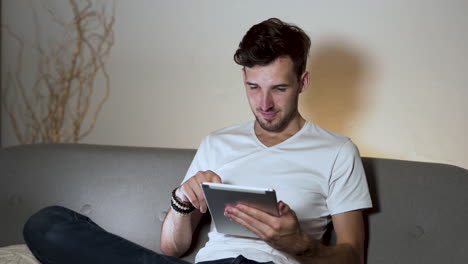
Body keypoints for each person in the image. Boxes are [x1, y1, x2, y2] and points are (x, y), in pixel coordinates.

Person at [23, 18, 371, 264]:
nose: (264, 104)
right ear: (243, 80)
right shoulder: (217, 143)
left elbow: (353, 256)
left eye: (279, 88)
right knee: (47, 224)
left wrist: (300, 245)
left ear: (303, 82)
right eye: (253, 88)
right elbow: (171, 248)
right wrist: (181, 201)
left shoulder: (337, 151)